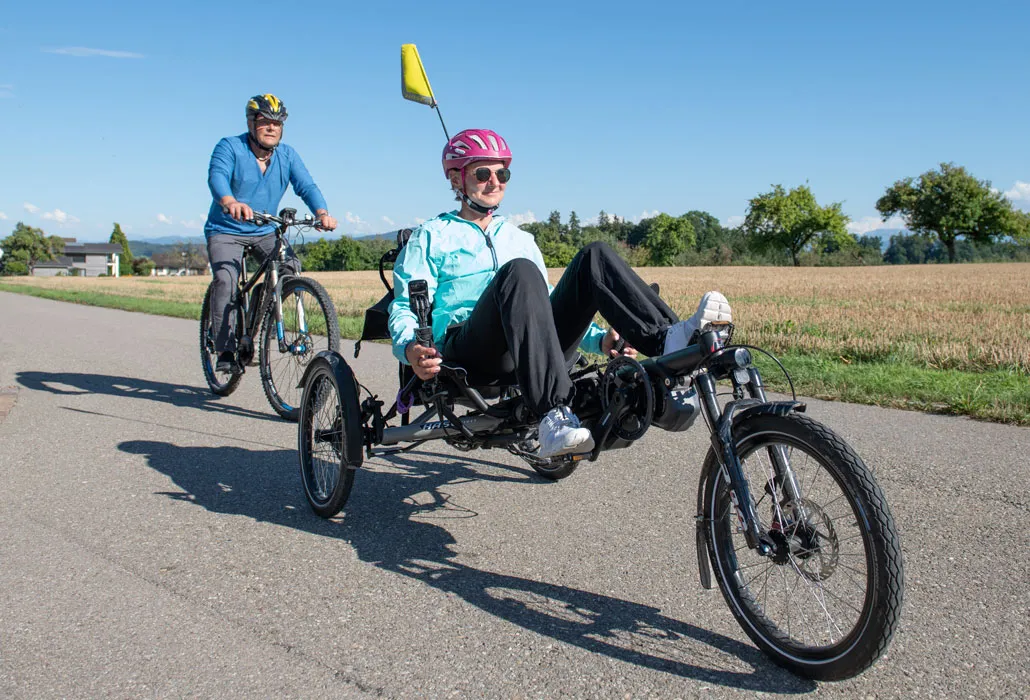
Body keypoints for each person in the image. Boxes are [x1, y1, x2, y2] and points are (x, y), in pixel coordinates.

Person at [388, 128, 731, 458]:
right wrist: (409, 349)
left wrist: (599, 341)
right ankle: (554, 417)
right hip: (472, 349)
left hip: (533, 348)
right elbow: (404, 305)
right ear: (455, 179)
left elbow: (543, 308)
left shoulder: (520, 239)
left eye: (502, 174)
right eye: (482, 173)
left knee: (594, 255)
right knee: (521, 271)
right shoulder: (431, 235)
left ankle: (668, 341)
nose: (494, 182)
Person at [204, 94, 338, 373]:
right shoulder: (230, 147)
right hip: (226, 229)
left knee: (289, 269)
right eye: (264, 122)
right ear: (251, 123)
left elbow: (307, 186)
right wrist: (230, 202)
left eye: (277, 123)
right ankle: (225, 350)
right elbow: (217, 176)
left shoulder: (287, 155)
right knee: (226, 281)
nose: (271, 128)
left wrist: (322, 213)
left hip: (265, 229)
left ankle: (256, 321)